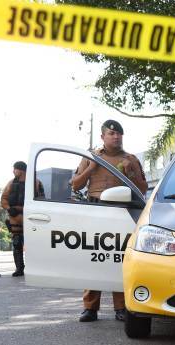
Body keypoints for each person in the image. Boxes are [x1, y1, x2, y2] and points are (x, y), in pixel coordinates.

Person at [72, 119, 148, 322]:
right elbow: (76, 186)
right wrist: (91, 167)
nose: (116, 137)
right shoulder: (90, 157)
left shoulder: (130, 159)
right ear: (102, 136)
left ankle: (121, 307)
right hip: (96, 210)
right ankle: (90, 308)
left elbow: (142, 189)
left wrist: (130, 173)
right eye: (112, 134)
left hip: (121, 212)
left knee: (119, 259)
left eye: (119, 134)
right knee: (94, 258)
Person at [1, 161, 44, 277]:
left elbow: (41, 201)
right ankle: (19, 268)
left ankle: (34, 268)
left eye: (14, 169)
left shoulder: (36, 183)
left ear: (20, 170)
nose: (13, 171)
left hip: (30, 216)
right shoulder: (11, 183)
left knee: (33, 243)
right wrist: (9, 209)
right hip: (15, 216)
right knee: (16, 242)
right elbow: (3, 199)